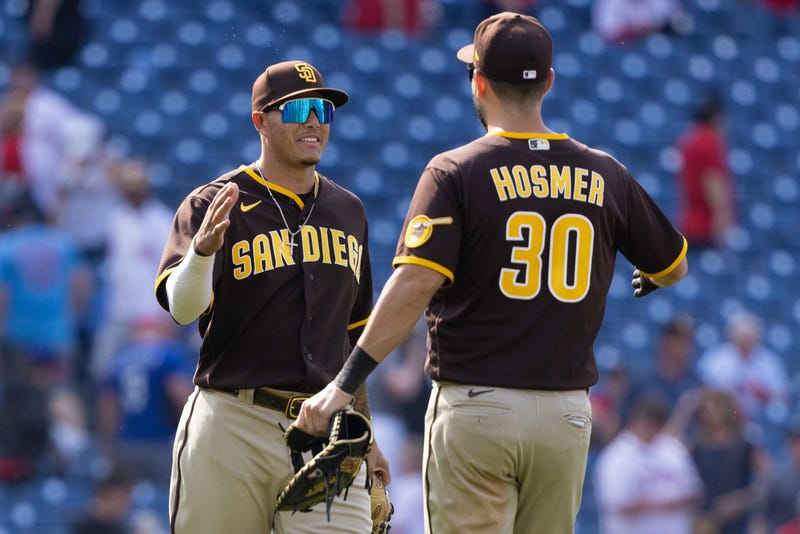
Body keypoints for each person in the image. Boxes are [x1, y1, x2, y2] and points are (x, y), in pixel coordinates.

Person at [294, 12, 688, 533]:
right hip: (565, 417)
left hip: (478, 407)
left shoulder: (455, 170)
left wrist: (343, 386)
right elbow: (673, 262)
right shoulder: (605, 171)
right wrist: (654, 277)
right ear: (548, 82)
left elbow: (415, 282)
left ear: (478, 82)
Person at [153, 60, 388, 533]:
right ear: (260, 120)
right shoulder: (216, 201)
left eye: (323, 109)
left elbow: (353, 338)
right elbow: (182, 309)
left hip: (327, 434)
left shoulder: (348, 211)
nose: (314, 122)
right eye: (298, 109)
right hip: (233, 421)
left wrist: (368, 435)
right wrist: (201, 253)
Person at [594, 393, 703, 534]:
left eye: (655, 423)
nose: (650, 428)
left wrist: (664, 502)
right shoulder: (616, 455)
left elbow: (695, 494)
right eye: (647, 422)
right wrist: (663, 502)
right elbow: (618, 505)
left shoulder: (673, 449)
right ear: (634, 421)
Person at [696, 311, 790, 427]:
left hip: (759, 417)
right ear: (732, 336)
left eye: (750, 337)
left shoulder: (769, 361)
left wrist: (765, 394)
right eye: (743, 337)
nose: (746, 341)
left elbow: (782, 395)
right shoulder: (716, 358)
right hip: (725, 416)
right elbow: (704, 391)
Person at [675, 91, 737, 249]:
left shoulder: (689, 140)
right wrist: (723, 219)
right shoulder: (709, 141)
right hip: (705, 227)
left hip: (688, 222)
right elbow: (712, 181)